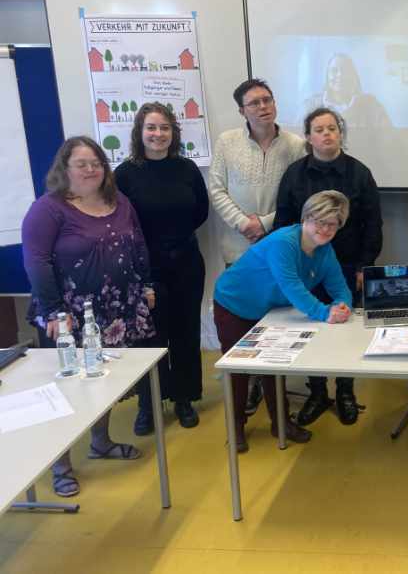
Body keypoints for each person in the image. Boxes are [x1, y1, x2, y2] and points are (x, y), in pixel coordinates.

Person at [21, 136, 156, 497]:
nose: (91, 169)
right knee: (65, 389)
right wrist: (53, 310)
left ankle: (101, 443)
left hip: (114, 310)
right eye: (81, 163)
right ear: (64, 168)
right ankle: (60, 467)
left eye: (96, 162)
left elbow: (138, 243)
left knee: (102, 380)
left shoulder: (119, 201)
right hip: (67, 316)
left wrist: (146, 284)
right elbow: (36, 261)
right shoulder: (48, 209)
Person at [213, 190, 353, 453]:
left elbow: (339, 287)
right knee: (238, 370)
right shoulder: (284, 243)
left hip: (269, 310)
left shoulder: (326, 250)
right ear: (305, 218)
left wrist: (342, 305)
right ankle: (236, 429)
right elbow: (293, 288)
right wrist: (325, 313)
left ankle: (280, 424)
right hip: (234, 303)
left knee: (274, 367)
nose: (324, 229)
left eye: (332, 224)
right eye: (318, 221)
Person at [273, 107, 382, 426]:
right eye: (319, 129)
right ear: (308, 137)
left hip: (348, 266)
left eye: (332, 128)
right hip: (305, 268)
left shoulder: (359, 173)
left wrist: (365, 266)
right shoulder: (294, 174)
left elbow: (373, 223)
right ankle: (317, 391)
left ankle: (346, 391)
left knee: (346, 329)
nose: (326, 134)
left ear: (340, 133)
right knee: (311, 329)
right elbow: (283, 220)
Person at [209, 78, 305, 415]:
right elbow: (217, 189)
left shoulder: (295, 145)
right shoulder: (227, 142)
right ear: (242, 111)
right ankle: (247, 387)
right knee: (240, 323)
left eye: (268, 100)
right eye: (254, 103)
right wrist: (242, 223)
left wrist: (262, 223)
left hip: (277, 246)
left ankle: (276, 401)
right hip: (237, 249)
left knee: (274, 328)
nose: (263, 107)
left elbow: (299, 198)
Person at [115, 102, 208, 433]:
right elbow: (120, 223)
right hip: (144, 269)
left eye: (164, 128)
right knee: (149, 337)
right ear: (140, 133)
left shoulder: (187, 169)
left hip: (185, 262)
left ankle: (184, 397)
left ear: (174, 133)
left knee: (185, 331)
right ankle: (149, 404)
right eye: (151, 128)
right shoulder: (125, 174)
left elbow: (201, 212)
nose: (158, 134)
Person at [304, 53, 391, 130]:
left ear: (353, 76)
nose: (340, 75)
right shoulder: (312, 104)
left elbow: (388, 135)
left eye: (345, 71)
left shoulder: (371, 104)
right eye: (334, 71)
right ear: (327, 77)